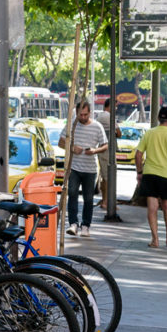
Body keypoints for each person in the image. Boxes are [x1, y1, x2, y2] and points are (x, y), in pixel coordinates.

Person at [136, 106, 167, 249]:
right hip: (166, 175)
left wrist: (140, 172)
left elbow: (138, 154)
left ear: (158, 118)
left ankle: (155, 239)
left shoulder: (149, 133)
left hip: (150, 174)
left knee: (152, 206)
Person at [58, 100, 107, 238]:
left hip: (90, 169)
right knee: (72, 193)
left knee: (88, 198)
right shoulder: (72, 125)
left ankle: (86, 225)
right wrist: (73, 148)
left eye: (85, 115)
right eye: (81, 115)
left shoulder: (97, 126)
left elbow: (105, 145)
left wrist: (95, 150)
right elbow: (61, 142)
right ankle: (73, 223)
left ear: (90, 113)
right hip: (74, 167)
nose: (83, 117)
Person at [95, 98, 121, 210]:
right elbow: (119, 133)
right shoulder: (108, 116)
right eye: (115, 106)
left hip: (103, 149)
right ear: (110, 106)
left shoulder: (101, 116)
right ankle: (107, 202)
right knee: (108, 176)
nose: (116, 109)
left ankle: (106, 200)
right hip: (107, 151)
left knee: (104, 176)